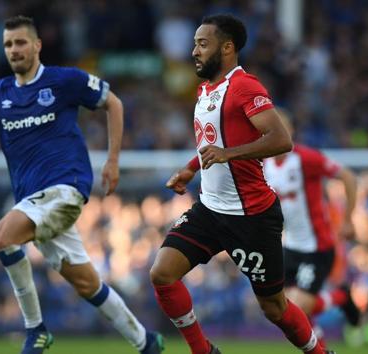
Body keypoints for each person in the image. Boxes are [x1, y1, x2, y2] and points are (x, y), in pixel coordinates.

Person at [0, 15, 163, 354]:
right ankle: (145, 342)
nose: (14, 50)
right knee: (86, 283)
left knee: (0, 237)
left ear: (37, 45)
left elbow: (112, 103)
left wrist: (113, 160)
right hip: (34, 201)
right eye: (8, 44)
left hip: (65, 189)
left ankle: (35, 330)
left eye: (20, 42)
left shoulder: (63, 81)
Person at [149, 14, 334, 354]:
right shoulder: (205, 90)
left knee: (274, 308)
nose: (195, 51)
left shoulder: (245, 87)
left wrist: (228, 153)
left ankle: (320, 353)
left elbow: (280, 140)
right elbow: (215, 141)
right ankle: (203, 351)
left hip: (251, 217)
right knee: (162, 273)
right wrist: (192, 168)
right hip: (210, 209)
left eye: (203, 44)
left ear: (228, 47)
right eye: (194, 44)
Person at [263, 111, 361, 346]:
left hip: (317, 248)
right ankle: (340, 297)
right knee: (279, 308)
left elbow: (347, 176)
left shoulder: (306, 159)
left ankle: (326, 337)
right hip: (290, 246)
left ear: (290, 132)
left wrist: (348, 220)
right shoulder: (264, 164)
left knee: (297, 307)